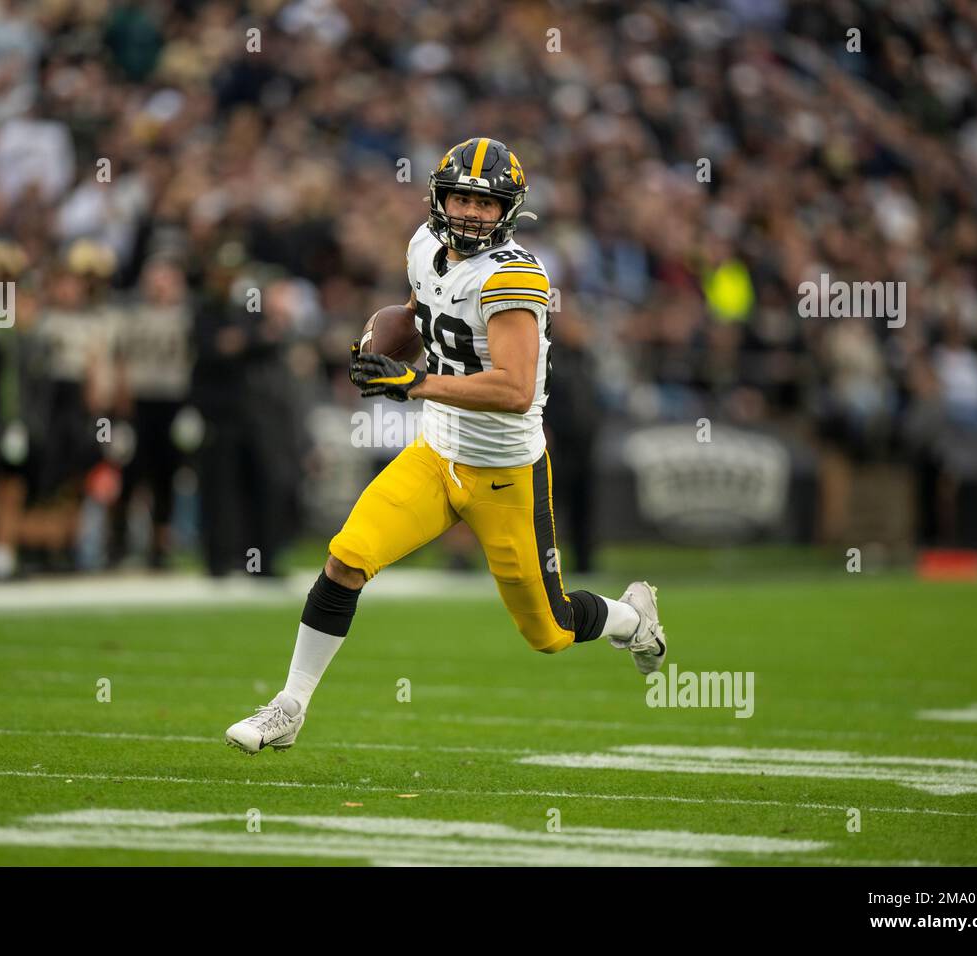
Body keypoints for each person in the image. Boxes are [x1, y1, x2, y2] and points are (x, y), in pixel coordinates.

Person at [225, 138, 668, 754]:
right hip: (436, 453)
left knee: (550, 630)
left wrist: (415, 383)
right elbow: (417, 311)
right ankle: (289, 705)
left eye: (485, 204)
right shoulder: (424, 245)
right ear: (439, 198)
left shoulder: (513, 276)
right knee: (346, 559)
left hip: (505, 472)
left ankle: (629, 617)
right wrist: (377, 344)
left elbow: (514, 388)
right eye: (460, 197)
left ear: (508, 211)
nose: (469, 213)